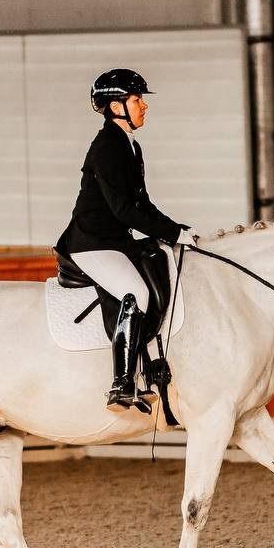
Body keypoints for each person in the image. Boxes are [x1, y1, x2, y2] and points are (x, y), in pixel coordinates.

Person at [55, 69, 195, 414]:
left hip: (115, 240)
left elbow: (142, 205)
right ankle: (121, 383)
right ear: (116, 105)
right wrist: (172, 233)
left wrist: (172, 229)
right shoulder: (106, 146)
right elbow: (123, 208)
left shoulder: (129, 144)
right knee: (137, 294)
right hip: (92, 243)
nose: (144, 106)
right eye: (137, 100)